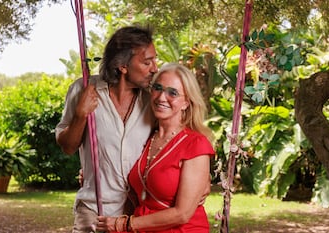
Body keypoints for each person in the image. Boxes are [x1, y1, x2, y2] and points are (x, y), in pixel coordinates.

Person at [55, 25, 158, 233]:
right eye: (147, 62)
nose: (155, 68)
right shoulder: (83, 90)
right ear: (122, 66)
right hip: (92, 210)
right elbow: (67, 146)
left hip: (136, 214)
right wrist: (81, 115)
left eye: (155, 60)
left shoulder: (153, 101)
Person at [95, 63, 216, 232]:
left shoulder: (195, 144)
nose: (161, 98)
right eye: (157, 88)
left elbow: (182, 214)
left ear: (186, 103)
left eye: (172, 93)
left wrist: (124, 224)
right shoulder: (146, 137)